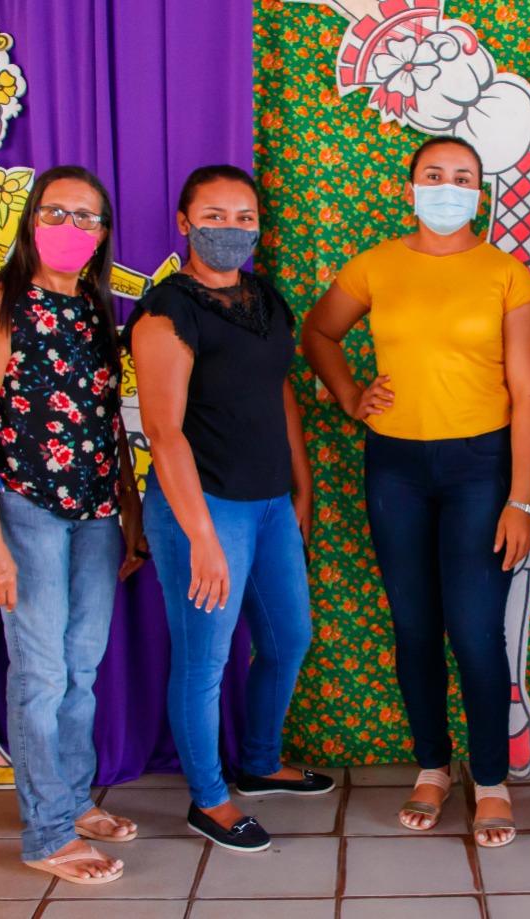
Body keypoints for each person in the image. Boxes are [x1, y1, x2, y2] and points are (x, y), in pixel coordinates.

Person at [302, 136, 530, 848]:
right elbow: (320, 332)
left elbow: (529, 395)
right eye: (434, 175)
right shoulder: (377, 264)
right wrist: (349, 394)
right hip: (395, 468)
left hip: (481, 469)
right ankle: (434, 768)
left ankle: (491, 779)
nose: (447, 185)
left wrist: (521, 499)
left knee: (474, 629)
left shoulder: (506, 275)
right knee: (414, 627)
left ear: (482, 188)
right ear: (410, 186)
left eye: (462, 176)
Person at [128, 165, 333, 855]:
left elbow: (279, 393)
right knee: (205, 659)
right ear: (184, 223)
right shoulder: (166, 310)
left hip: (271, 500)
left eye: (244, 217)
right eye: (214, 216)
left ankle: (260, 759)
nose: (231, 229)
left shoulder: (265, 298)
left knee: (288, 638)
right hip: (204, 505)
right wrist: (201, 536)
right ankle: (209, 800)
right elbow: (163, 432)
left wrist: (299, 486)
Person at [0, 166, 148, 884]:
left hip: (96, 510)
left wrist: (128, 513)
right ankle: (46, 832)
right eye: (58, 212)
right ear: (32, 218)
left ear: (102, 235)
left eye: (88, 217)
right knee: (39, 673)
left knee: (82, 669)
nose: (73, 228)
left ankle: (69, 799)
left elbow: (108, 424)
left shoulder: (98, 310)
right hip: (27, 506)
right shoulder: (0, 305)